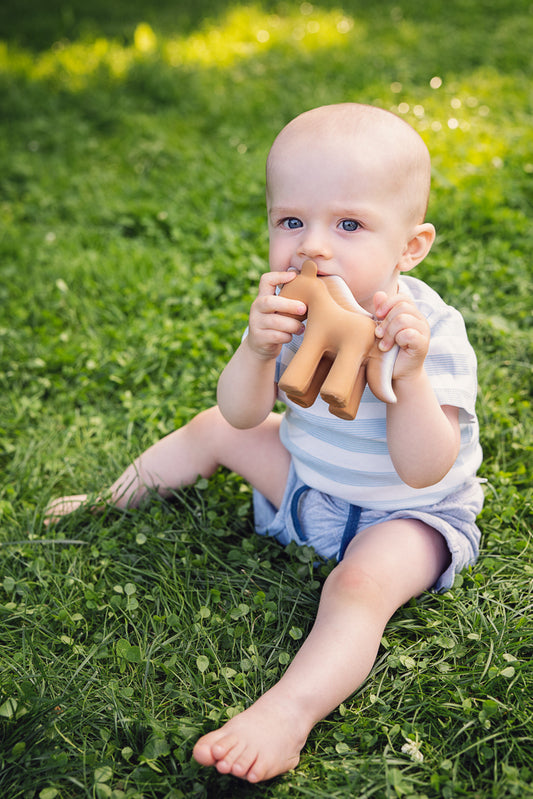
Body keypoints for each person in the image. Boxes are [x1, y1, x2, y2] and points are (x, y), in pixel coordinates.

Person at [46, 103, 483, 783]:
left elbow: (426, 467)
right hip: (308, 482)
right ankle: (108, 499)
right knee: (209, 426)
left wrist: (412, 373)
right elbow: (242, 414)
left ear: (410, 246)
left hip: (405, 515)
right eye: (290, 221)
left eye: (347, 224)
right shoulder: (290, 312)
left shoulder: (430, 331)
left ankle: (287, 713)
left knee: (358, 586)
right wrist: (256, 350)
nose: (311, 245)